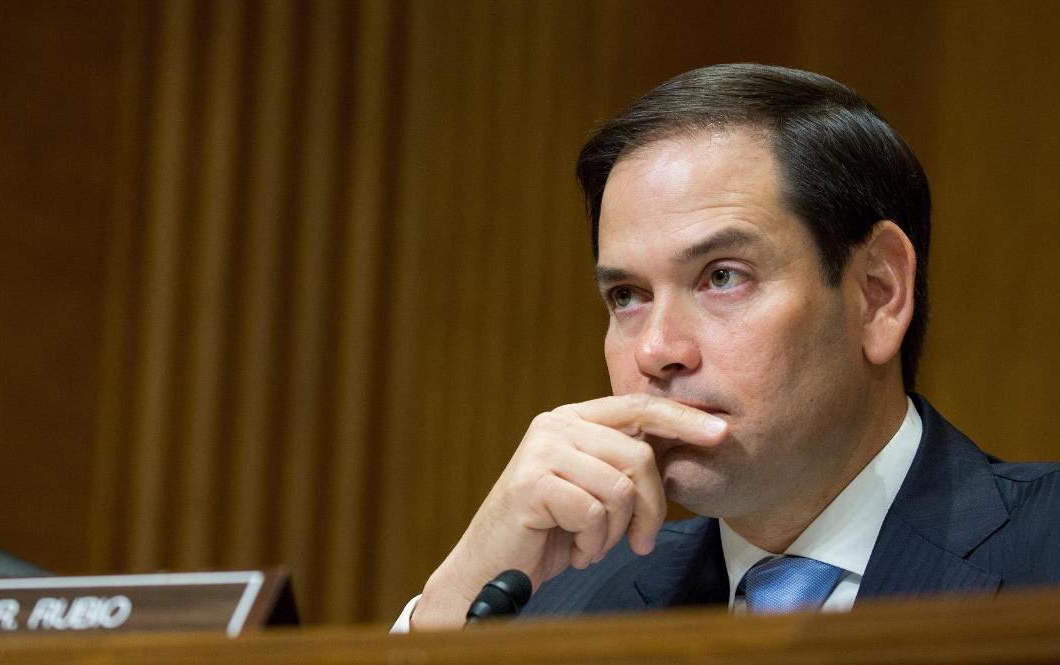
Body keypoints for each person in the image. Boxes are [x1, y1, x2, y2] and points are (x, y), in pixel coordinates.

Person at [394, 63, 1060, 632]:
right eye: (626, 295)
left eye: (721, 277)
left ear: (877, 294)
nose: (657, 350)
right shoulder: (550, 607)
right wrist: (458, 598)